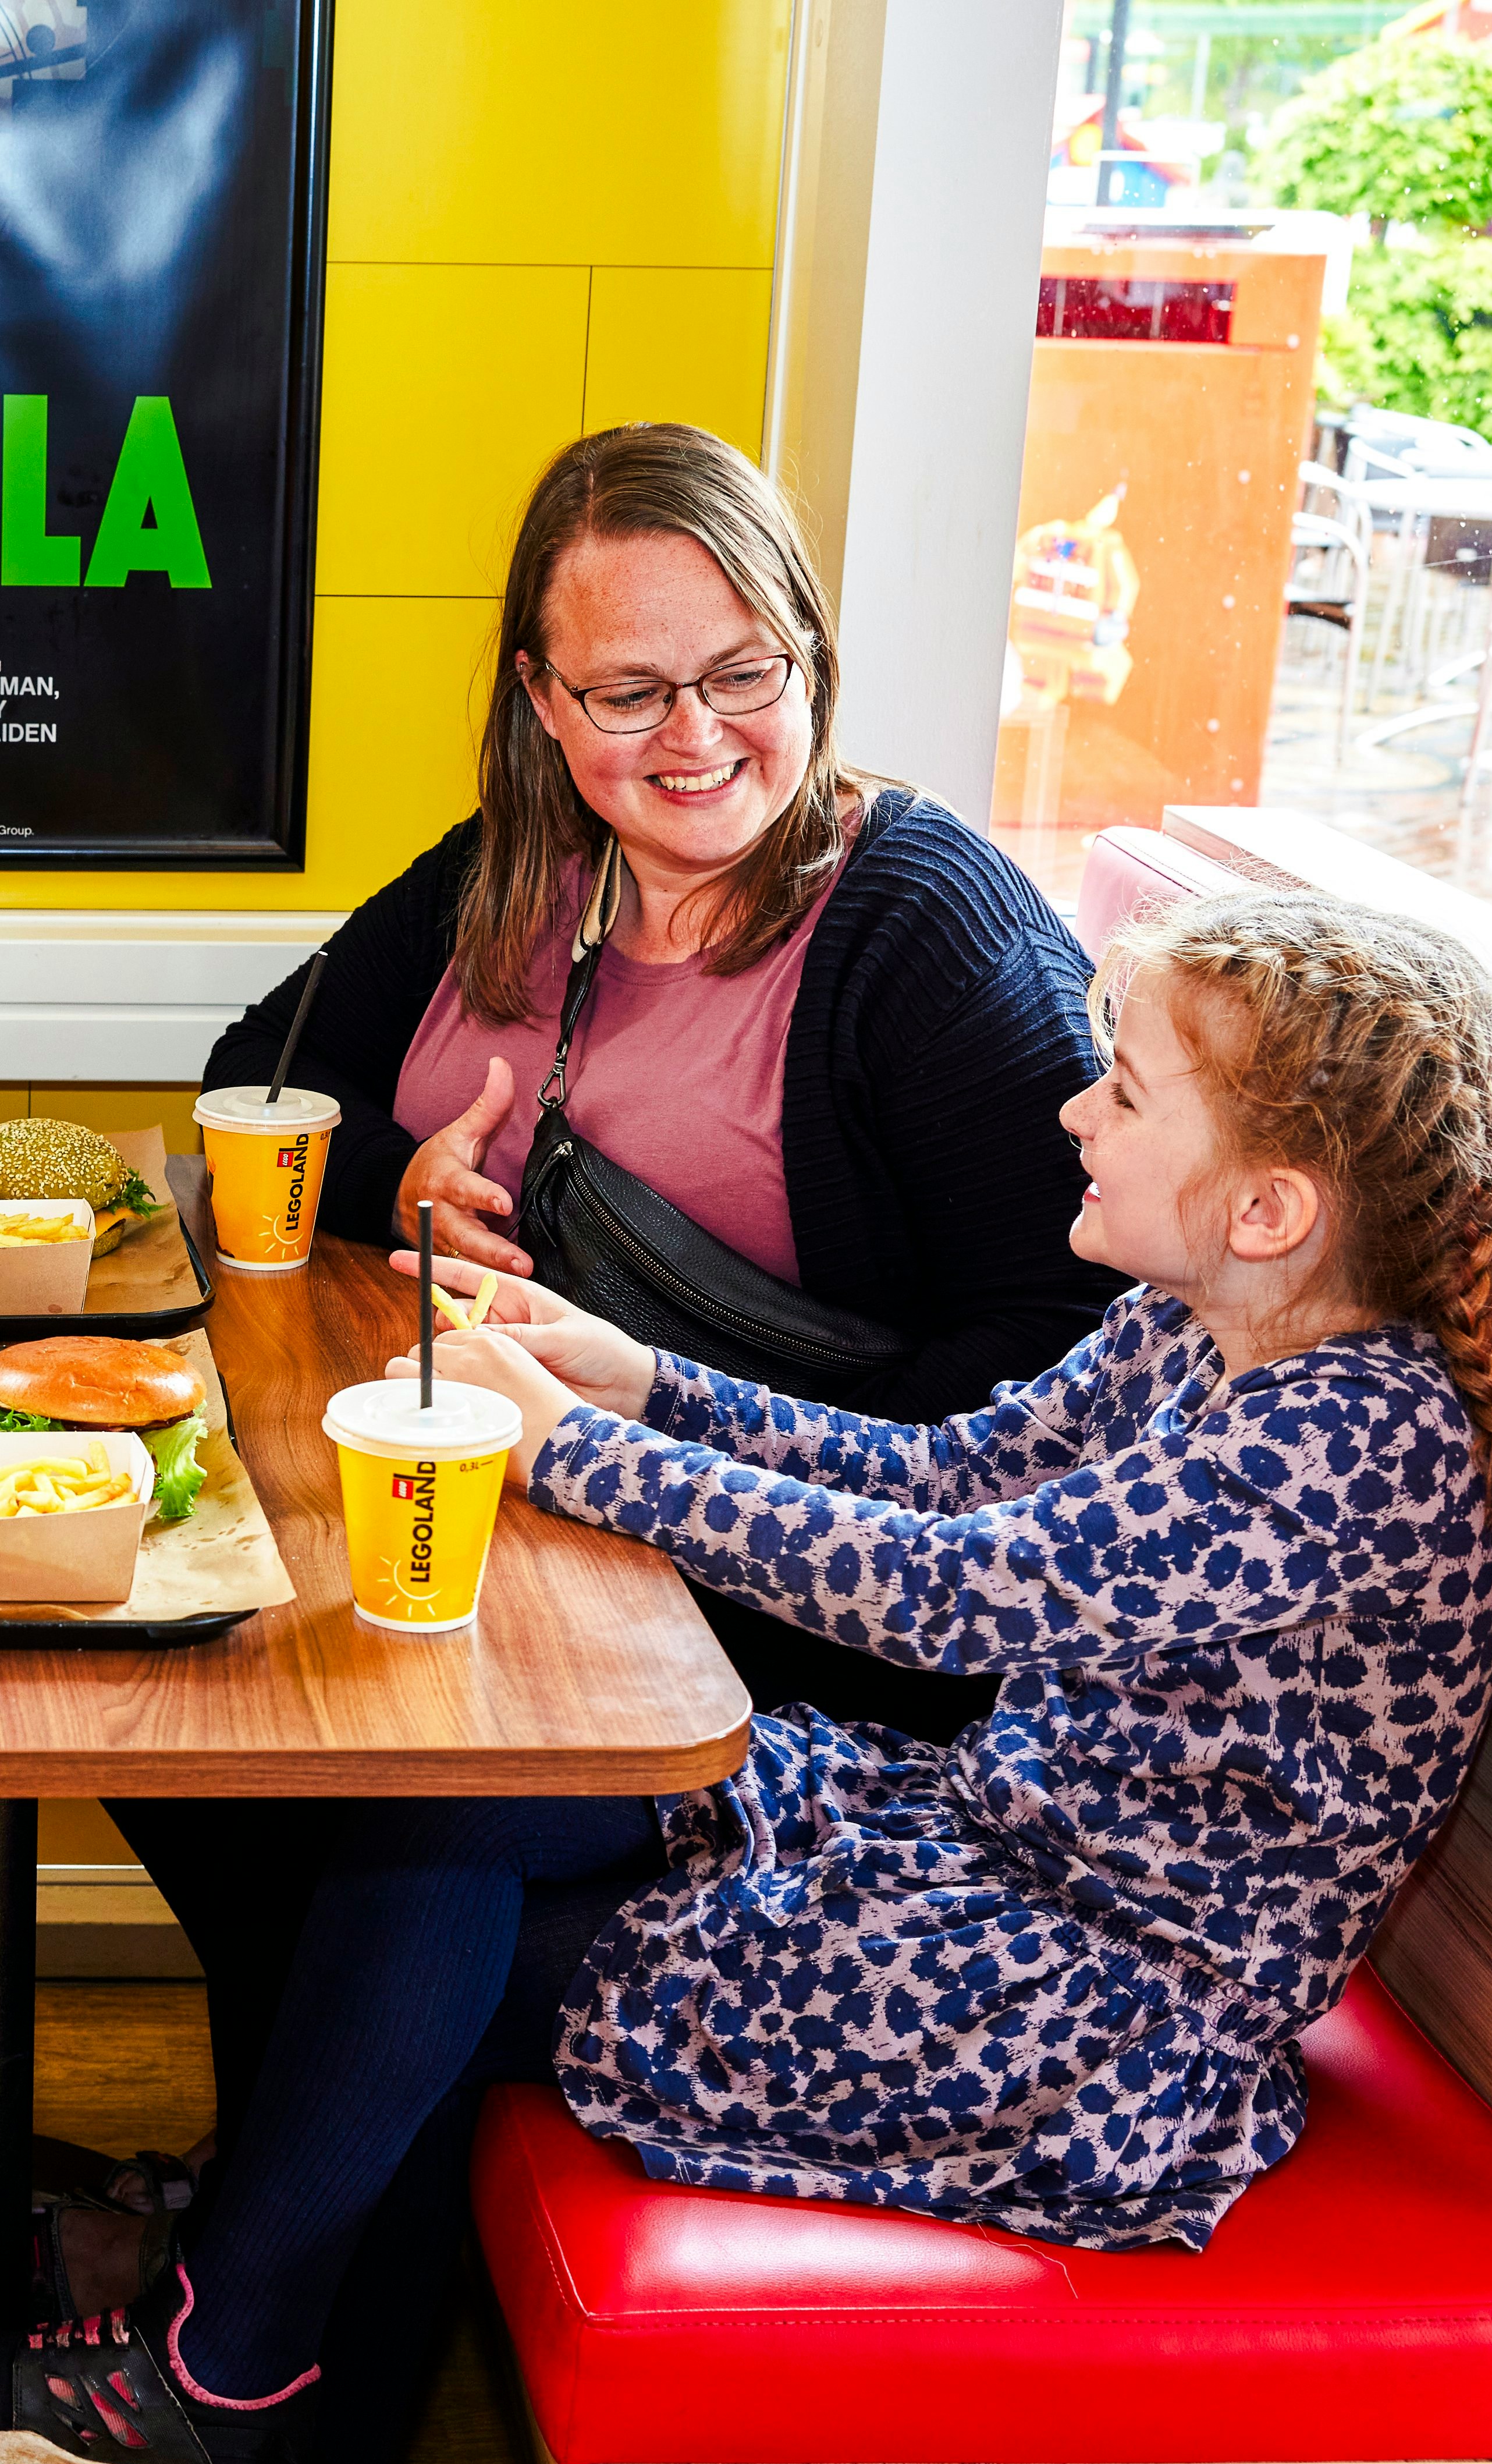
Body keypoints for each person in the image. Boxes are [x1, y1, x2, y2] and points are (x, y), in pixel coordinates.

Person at [0, 888, 1492, 2464]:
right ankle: (241, 2367)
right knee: (448, 1817)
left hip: (1089, 2016)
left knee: (424, 1927)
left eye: (1120, 1090)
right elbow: (946, 1467)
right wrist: (633, 1375)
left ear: (1267, 1209)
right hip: (970, 1849)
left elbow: (955, 1590)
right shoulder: (1196, 1331)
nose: (1071, 1107)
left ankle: (230, 2377)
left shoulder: (1353, 1443)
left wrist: (565, 1450)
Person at [132, 421, 1119, 2146]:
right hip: (501, 1522)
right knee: (179, 1735)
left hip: (791, 1607)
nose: (696, 737)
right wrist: (398, 1177)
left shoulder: (925, 925)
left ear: (813, 647)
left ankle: (264, 2313)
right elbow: (250, 1072)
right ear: (542, 699)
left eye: (744, 672)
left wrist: (662, 1453)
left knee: (378, 1805)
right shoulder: (511, 872)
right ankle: (271, 2206)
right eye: (629, 691)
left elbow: (1049, 1380)